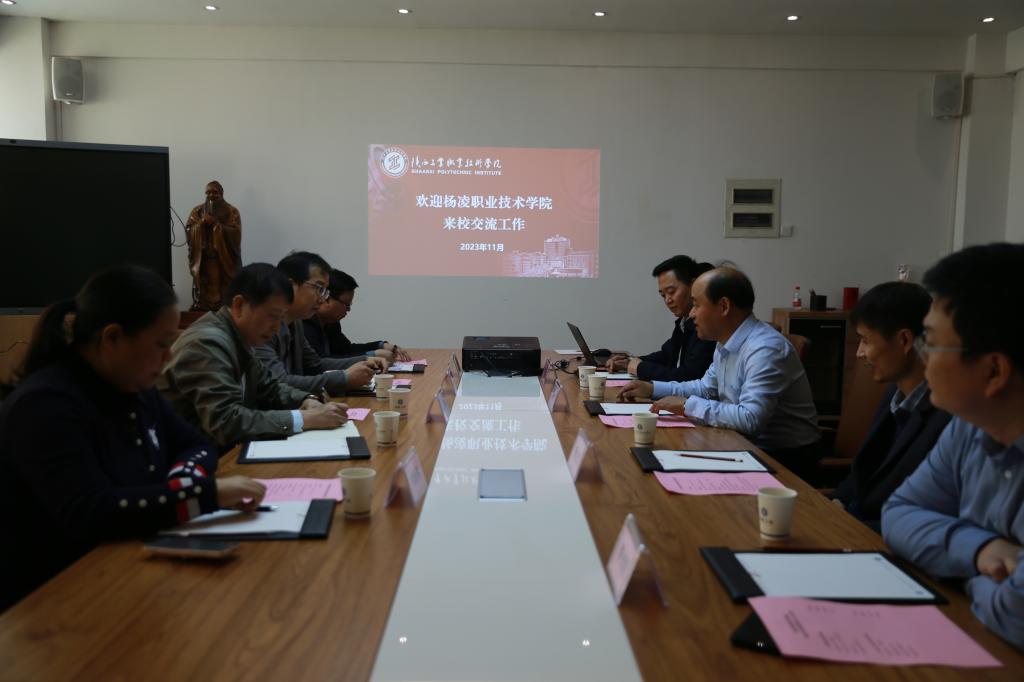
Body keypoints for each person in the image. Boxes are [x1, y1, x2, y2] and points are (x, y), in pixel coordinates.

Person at [0, 266, 266, 612]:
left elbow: (196, 445)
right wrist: (204, 495)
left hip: (133, 562)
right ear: (112, 338)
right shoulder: (46, 405)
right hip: (57, 598)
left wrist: (183, 481)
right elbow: (93, 512)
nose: (169, 357)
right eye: (161, 344)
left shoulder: (133, 385)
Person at [882, 242, 1024, 651]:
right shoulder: (969, 426)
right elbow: (899, 513)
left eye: (931, 342)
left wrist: (961, 573)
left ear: (994, 371)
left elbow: (1016, 615)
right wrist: (979, 549)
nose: (922, 358)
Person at [620, 267, 820, 480]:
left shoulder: (765, 348)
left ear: (724, 306)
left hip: (784, 460)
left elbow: (750, 419)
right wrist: (652, 388)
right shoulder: (726, 341)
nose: (692, 313)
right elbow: (705, 388)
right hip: (741, 445)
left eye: (697, 304)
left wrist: (686, 405)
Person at [159, 263, 348, 451]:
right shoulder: (207, 343)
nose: (276, 329)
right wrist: (304, 419)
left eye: (281, 319)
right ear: (239, 305)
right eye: (272, 316)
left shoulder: (240, 337)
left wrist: (306, 400)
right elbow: (226, 422)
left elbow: (270, 387)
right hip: (190, 458)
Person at [830, 282, 951, 530]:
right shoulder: (894, 393)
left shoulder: (947, 415)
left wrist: (849, 527)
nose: (860, 353)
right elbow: (865, 469)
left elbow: (927, 515)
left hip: (883, 536)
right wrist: (837, 502)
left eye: (865, 340)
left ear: (904, 340)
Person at [254, 253, 384, 395]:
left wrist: (365, 360)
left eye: (325, 291)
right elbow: (279, 382)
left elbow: (315, 365)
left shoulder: (295, 323)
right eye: (318, 288)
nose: (322, 299)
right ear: (291, 286)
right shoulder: (262, 326)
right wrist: (344, 378)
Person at [604, 255, 715, 381]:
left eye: (671, 292)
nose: (667, 300)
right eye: (663, 295)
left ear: (694, 286)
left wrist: (640, 368)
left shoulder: (706, 327)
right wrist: (629, 362)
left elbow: (689, 376)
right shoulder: (683, 322)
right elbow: (667, 355)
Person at [303, 268, 411, 363]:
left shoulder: (331, 323)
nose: (349, 310)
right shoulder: (304, 323)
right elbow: (322, 362)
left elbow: (347, 350)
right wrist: (371, 356)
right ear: (327, 298)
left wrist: (381, 345)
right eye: (347, 304)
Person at [185, 181, 242, 311]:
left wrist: (216, 225)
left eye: (214, 192)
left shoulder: (232, 211)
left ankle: (225, 303)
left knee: (224, 285)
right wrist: (200, 224)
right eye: (208, 192)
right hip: (204, 257)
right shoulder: (198, 211)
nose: (211, 195)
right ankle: (203, 303)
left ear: (221, 193)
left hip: (224, 258)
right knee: (206, 282)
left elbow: (236, 233)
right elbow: (189, 229)